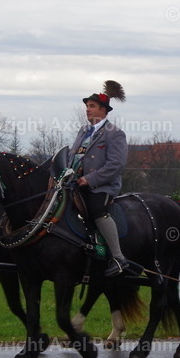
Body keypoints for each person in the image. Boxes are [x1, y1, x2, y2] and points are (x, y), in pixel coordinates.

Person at [70, 80, 135, 277]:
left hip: (102, 187)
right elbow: (73, 156)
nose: (87, 110)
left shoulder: (115, 134)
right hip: (76, 183)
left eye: (91, 106)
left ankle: (118, 257)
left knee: (97, 209)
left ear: (103, 110)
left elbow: (115, 165)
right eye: (87, 106)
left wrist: (89, 179)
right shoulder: (83, 131)